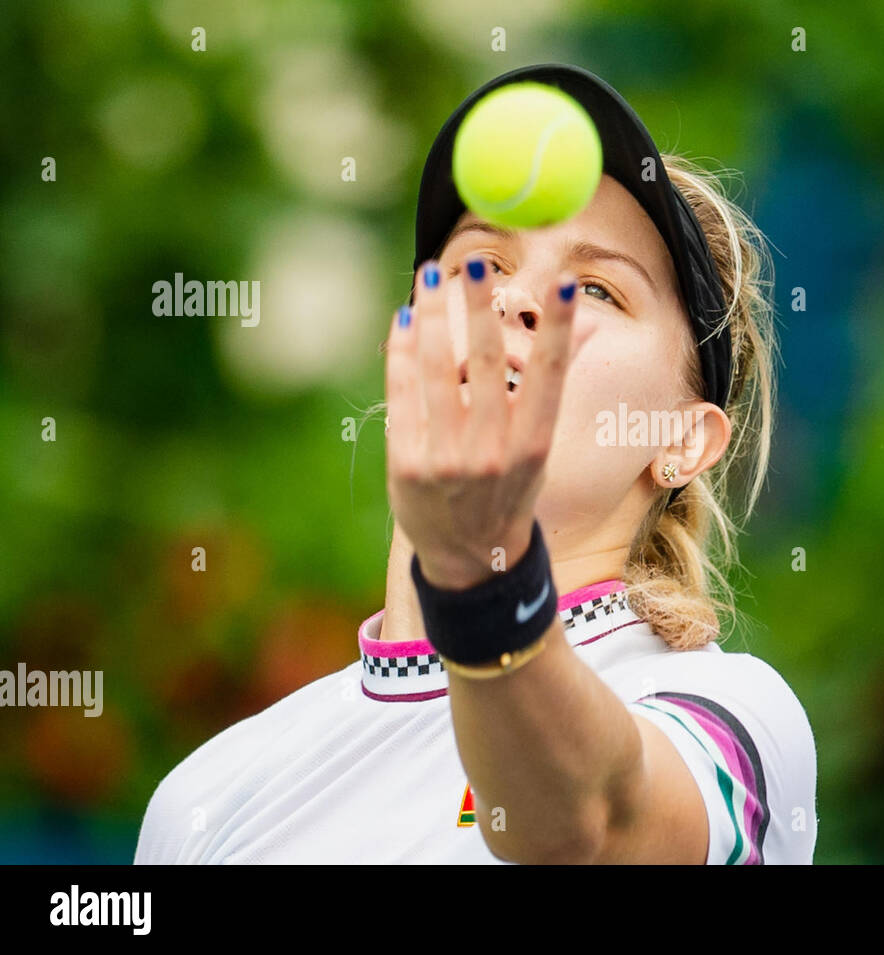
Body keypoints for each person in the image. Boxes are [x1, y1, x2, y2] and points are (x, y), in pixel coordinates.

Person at [134, 63, 817, 864]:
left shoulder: (727, 713)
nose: (516, 301)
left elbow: (586, 824)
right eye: (480, 266)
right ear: (405, 347)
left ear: (682, 440)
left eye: (596, 289)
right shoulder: (207, 795)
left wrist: (481, 584)